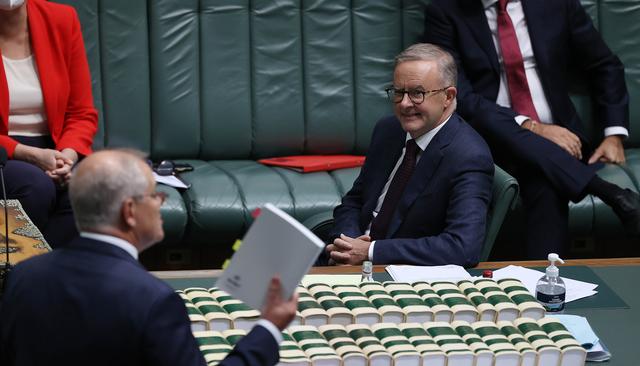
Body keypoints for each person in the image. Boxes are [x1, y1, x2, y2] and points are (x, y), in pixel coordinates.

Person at [0, 149, 298, 366]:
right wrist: (269, 327)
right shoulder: (153, 300)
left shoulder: (23, 276)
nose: (161, 202)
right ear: (129, 211)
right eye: (155, 194)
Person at [423, 0, 640, 258]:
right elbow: (459, 95)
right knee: (542, 165)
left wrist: (614, 135)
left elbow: (604, 65)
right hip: (490, 139)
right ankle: (610, 193)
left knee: (545, 179)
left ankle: (544, 283)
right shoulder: (446, 11)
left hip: (560, 140)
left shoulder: (555, 4)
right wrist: (531, 127)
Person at [323, 43, 494, 267]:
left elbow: (463, 247)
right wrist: (348, 244)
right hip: (347, 260)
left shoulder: (469, 156)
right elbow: (355, 200)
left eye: (417, 93)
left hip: (395, 274)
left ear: (448, 97)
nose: (404, 104)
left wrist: (370, 252)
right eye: (399, 92)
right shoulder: (389, 130)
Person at [0, 0, 98, 247]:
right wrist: (28, 154)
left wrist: (67, 156)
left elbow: (81, 112)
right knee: (35, 186)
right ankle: (20, 278)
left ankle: (47, 277)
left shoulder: (61, 19)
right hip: (5, 152)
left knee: (92, 189)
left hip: (55, 147)